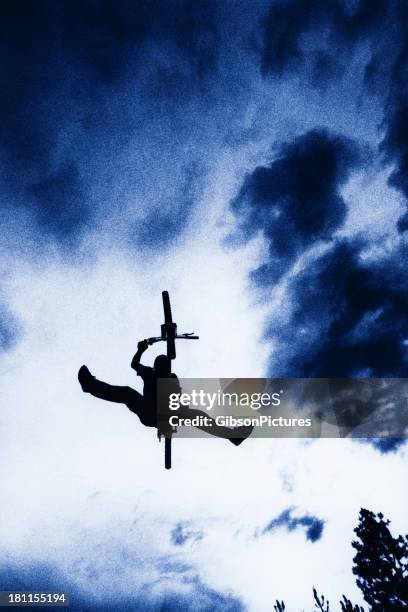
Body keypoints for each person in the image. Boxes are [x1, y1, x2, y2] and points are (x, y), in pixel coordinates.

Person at [78, 340, 252, 445]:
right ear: (156, 367)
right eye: (160, 368)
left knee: (197, 415)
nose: (162, 371)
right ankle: (91, 386)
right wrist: (140, 350)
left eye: (164, 368)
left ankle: (233, 436)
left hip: (167, 413)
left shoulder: (171, 378)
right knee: (127, 393)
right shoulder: (149, 373)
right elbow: (134, 365)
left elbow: (179, 402)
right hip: (149, 411)